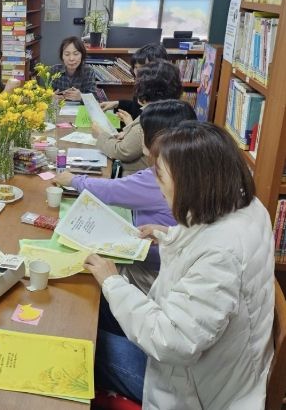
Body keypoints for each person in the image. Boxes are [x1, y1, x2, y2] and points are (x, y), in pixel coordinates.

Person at [84, 121, 275, 408]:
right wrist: (168, 234)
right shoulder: (245, 206)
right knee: (93, 305)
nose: (158, 185)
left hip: (190, 387)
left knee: (82, 342)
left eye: (160, 176)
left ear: (191, 182)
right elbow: (202, 239)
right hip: (210, 362)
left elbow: (169, 341)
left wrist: (113, 282)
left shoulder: (220, 255)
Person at [55, 100, 196, 293]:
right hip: (162, 255)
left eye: (143, 132)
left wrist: (73, 180)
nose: (140, 137)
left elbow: (112, 190)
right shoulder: (187, 166)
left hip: (152, 270)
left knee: (80, 271)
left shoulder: (162, 175)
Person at [94, 60, 182, 177]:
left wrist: (101, 134)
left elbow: (122, 151)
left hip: (135, 176)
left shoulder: (150, 119)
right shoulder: (172, 110)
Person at [100, 43, 168, 119]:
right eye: (136, 67)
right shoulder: (143, 86)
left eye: (144, 67)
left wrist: (130, 123)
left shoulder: (164, 97)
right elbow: (136, 107)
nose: (138, 72)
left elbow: (152, 124)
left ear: (159, 68)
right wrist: (117, 103)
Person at [49, 36, 97, 101]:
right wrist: (51, 97)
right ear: (62, 56)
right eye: (67, 54)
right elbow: (45, 95)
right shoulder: (54, 70)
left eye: (76, 54)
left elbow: (95, 99)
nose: (71, 59)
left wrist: (81, 97)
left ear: (82, 55)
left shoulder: (88, 71)